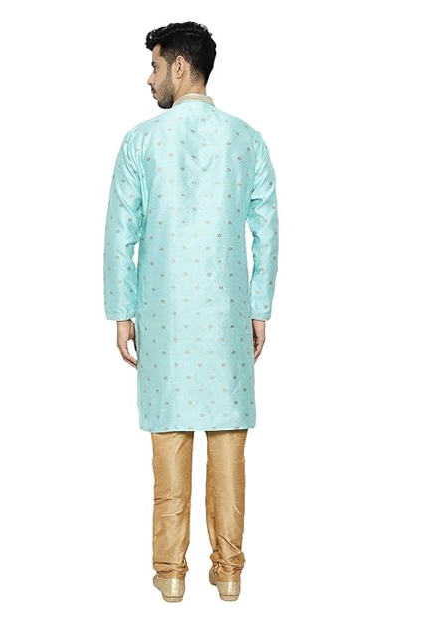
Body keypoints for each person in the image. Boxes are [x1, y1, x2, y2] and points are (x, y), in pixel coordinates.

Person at [102, 21, 279, 602]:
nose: (149, 78)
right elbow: (267, 230)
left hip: (165, 317)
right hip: (228, 317)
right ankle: (229, 573)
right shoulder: (246, 140)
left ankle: (171, 574)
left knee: (170, 440)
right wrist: (259, 308)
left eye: (155, 65)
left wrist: (122, 311)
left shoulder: (141, 142)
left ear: (180, 66)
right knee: (228, 444)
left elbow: (121, 233)